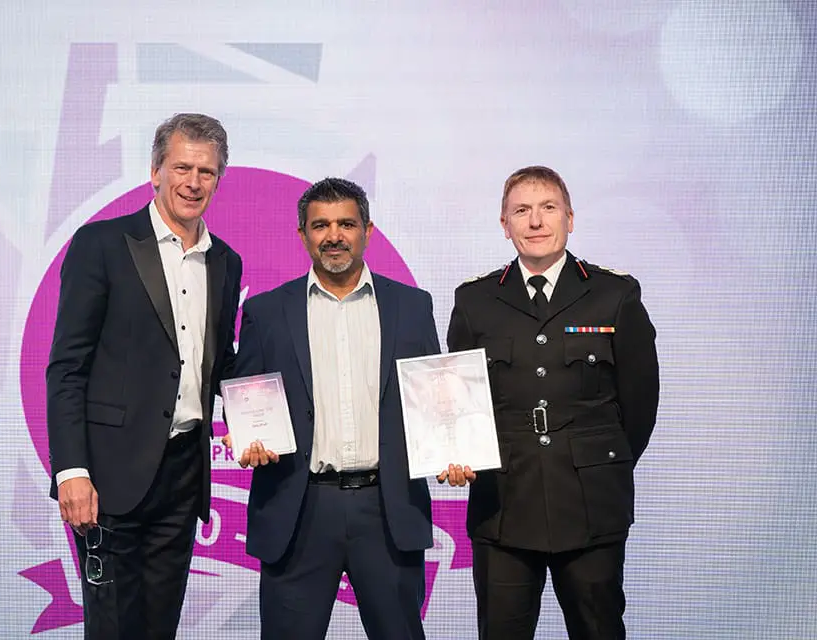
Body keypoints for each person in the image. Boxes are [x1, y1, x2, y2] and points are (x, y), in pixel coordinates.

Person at [46, 113, 242, 639]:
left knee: (160, 628)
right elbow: (67, 368)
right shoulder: (102, 245)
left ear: (218, 179)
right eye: (182, 167)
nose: (193, 182)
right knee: (112, 627)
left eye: (206, 171)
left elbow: (220, 362)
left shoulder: (226, 261)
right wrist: (71, 472)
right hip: (108, 476)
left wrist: (261, 408)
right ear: (155, 171)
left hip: (183, 477)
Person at [445, 166, 659, 639]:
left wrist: (600, 463)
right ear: (505, 224)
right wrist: (457, 452)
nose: (536, 221)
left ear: (570, 218)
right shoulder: (475, 300)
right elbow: (458, 401)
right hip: (504, 505)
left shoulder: (614, 295)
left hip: (590, 504)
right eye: (522, 210)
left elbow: (640, 405)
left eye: (548, 208)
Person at [225, 177, 440, 639]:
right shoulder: (266, 312)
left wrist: (451, 449)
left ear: (368, 231)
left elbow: (435, 402)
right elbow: (244, 395)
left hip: (387, 509)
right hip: (298, 509)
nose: (334, 235)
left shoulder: (412, 306)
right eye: (320, 225)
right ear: (302, 235)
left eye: (346, 223)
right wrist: (243, 433)